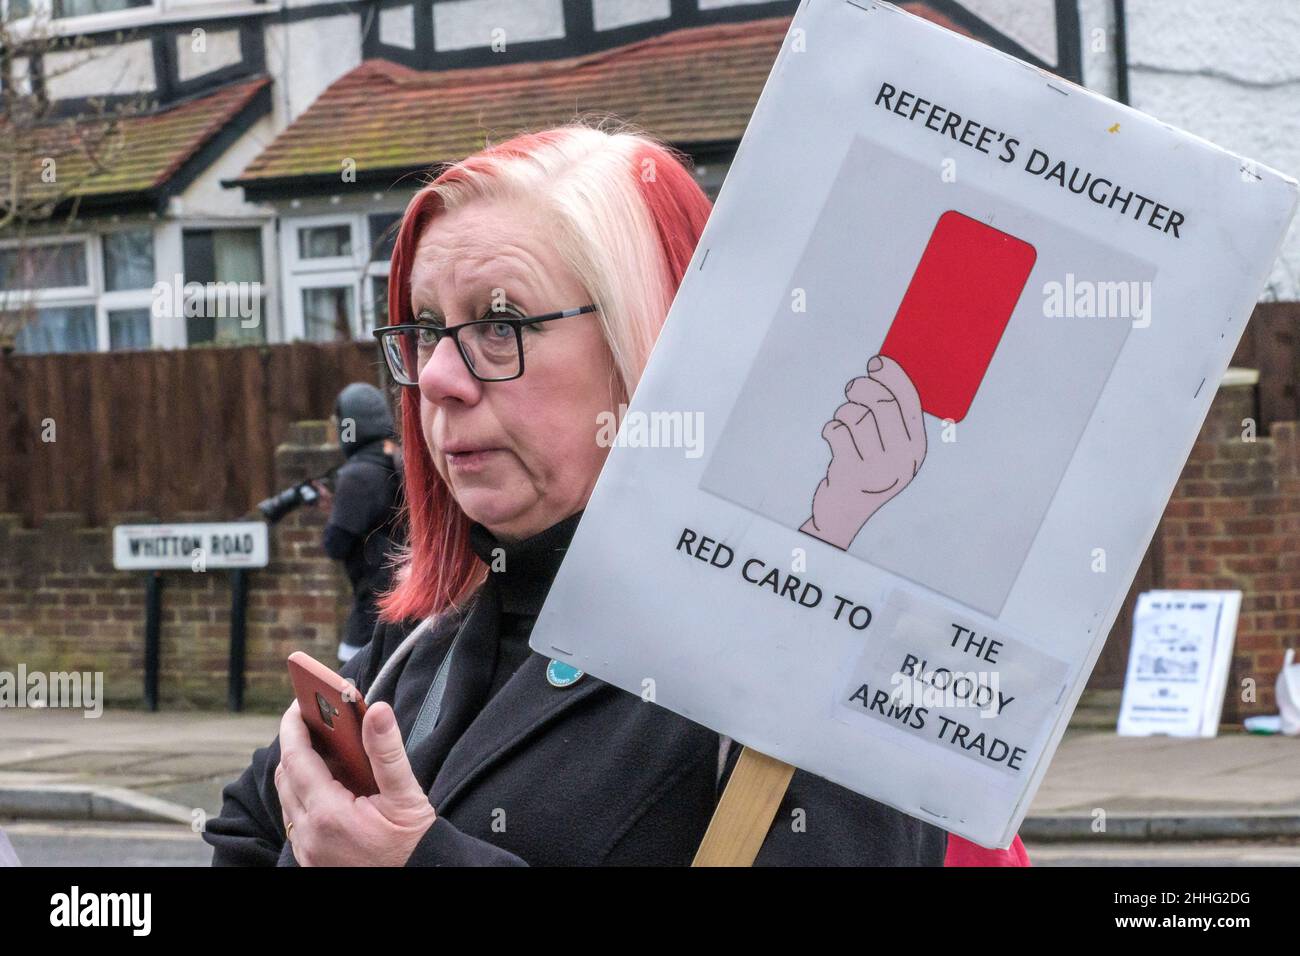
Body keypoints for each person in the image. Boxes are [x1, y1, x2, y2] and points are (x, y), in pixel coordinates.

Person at [202, 121, 1019, 866]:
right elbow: (242, 832)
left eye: (500, 324)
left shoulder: (805, 663)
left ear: (648, 347)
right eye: (423, 329)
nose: (439, 380)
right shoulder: (424, 641)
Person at [316, 383, 405, 663]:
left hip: (370, 613)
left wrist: (334, 516)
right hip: (405, 605)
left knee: (353, 695)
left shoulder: (357, 474)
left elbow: (336, 544)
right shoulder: (397, 457)